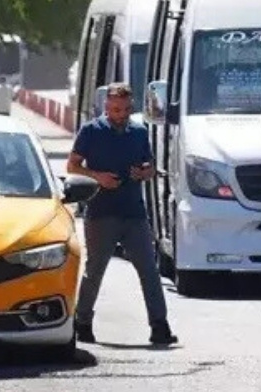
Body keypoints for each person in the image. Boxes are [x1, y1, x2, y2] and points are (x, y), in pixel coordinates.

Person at [66, 82, 177, 346]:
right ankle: (83, 322)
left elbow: (149, 166)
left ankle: (159, 325)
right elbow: (72, 165)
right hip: (101, 212)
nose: (121, 114)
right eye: (116, 109)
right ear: (107, 107)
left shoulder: (138, 132)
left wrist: (144, 173)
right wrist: (97, 177)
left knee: (149, 271)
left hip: (134, 213)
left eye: (126, 109)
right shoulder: (91, 131)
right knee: (95, 271)